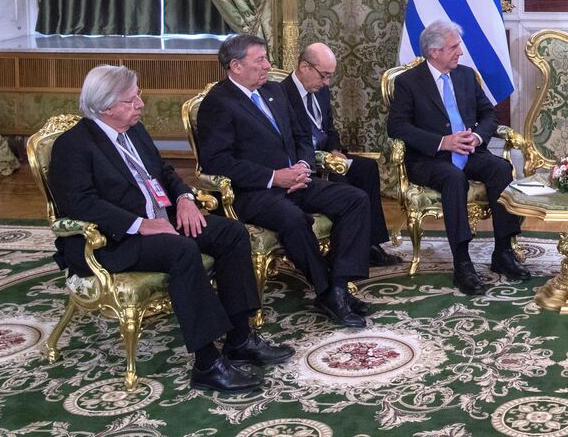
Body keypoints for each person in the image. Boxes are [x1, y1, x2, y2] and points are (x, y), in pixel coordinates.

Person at [47, 65, 291, 394]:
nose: (141, 105)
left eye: (139, 97)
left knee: (231, 233)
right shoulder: (72, 145)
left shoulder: (133, 130)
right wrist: (141, 225)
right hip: (113, 240)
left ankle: (239, 338)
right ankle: (207, 363)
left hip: (163, 217)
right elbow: (81, 204)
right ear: (107, 108)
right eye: (132, 100)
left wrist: (186, 199)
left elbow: (163, 171)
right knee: (182, 251)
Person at [196, 34, 372, 328]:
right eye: (260, 60)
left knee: (355, 199)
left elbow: (302, 135)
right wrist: (274, 177)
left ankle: (339, 287)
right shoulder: (219, 103)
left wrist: (303, 165)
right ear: (236, 66)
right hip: (254, 192)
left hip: (296, 180)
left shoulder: (274, 92)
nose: (268, 65)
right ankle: (325, 289)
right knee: (294, 219)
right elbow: (217, 161)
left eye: (266, 58)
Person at [386, 20, 531, 295]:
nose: (460, 52)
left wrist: (476, 137)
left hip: (469, 152)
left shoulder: (465, 76)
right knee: (454, 179)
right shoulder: (408, 83)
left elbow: (489, 114)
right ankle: (462, 263)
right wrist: (443, 142)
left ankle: (503, 252)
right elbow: (398, 127)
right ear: (434, 52)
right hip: (431, 160)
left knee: (500, 168)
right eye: (454, 47)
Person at [280, 42, 401, 267]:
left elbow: (329, 128)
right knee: (343, 183)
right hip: (305, 161)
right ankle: (342, 251)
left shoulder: (320, 90)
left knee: (367, 168)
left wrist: (335, 150)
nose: (327, 82)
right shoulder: (281, 93)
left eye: (329, 77)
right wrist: (319, 161)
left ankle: (372, 244)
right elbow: (289, 139)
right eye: (324, 75)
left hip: (328, 155)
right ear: (305, 67)